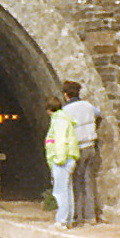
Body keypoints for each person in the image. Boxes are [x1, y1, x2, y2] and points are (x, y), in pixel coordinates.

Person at [62, 80, 102, 225]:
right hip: (91, 147)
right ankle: (91, 217)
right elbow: (98, 114)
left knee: (77, 184)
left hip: (77, 149)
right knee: (89, 182)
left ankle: (78, 216)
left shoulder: (65, 110)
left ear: (66, 95)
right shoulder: (87, 105)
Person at [44, 96, 79, 229]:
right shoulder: (64, 118)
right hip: (69, 158)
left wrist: (58, 159)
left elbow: (60, 141)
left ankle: (61, 221)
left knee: (60, 191)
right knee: (67, 190)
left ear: (49, 110)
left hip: (62, 160)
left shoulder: (58, 121)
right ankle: (67, 219)